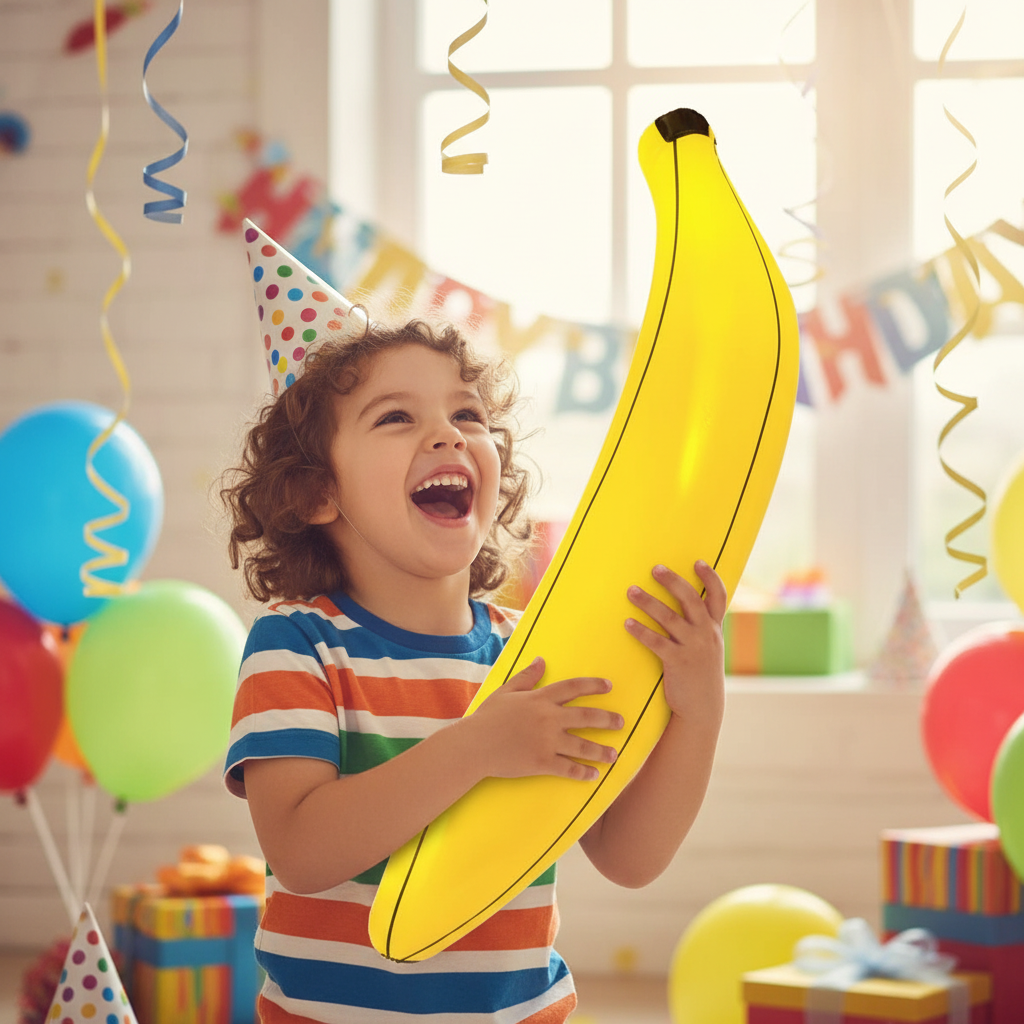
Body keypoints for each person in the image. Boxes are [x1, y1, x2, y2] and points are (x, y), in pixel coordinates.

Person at [222, 221, 727, 1024]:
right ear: (319, 494)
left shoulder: (531, 649)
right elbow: (303, 851)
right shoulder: (296, 647)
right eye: (395, 417)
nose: (449, 432)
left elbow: (629, 856)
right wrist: (477, 747)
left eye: (467, 414)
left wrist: (698, 707)